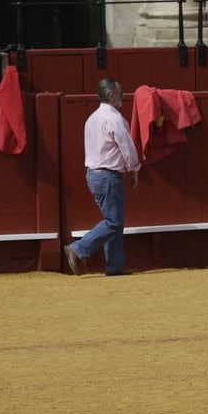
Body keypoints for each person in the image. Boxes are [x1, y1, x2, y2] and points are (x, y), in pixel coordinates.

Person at [64, 78, 141, 276]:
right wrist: (134, 169)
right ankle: (77, 249)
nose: (123, 97)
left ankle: (115, 265)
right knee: (114, 222)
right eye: (121, 94)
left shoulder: (92, 119)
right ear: (112, 96)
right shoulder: (114, 119)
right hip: (108, 176)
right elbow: (127, 147)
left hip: (94, 174)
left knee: (113, 220)